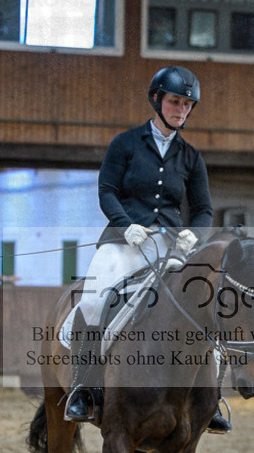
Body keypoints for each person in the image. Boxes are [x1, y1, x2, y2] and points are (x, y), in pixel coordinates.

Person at [64, 65, 231, 433]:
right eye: (175, 101)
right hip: (124, 243)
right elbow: (107, 190)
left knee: (207, 306)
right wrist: (126, 225)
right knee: (93, 300)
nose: (181, 110)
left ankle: (211, 398)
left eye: (188, 105)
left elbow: (203, 209)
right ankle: (84, 389)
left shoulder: (190, 157)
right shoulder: (125, 144)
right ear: (157, 99)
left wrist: (193, 236)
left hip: (170, 247)